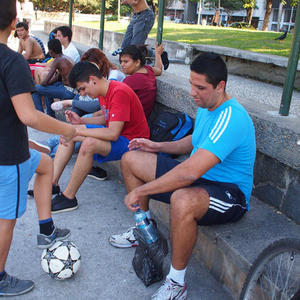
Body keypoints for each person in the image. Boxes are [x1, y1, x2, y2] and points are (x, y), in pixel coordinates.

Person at [109, 52, 256, 299]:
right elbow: (193, 142)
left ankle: (176, 283)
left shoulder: (232, 117)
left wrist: (141, 190)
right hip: (201, 178)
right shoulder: (209, 106)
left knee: (182, 199)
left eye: (200, 87)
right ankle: (145, 233)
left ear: (220, 86)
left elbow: (189, 171)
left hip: (229, 194)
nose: (192, 92)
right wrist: (156, 146)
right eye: (191, 84)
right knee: (131, 158)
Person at [0, 1, 76, 296]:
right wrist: (69, 129)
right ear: (14, 22)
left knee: (44, 164)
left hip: (15, 147)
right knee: (7, 219)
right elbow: (28, 115)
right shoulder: (11, 61)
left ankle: (47, 230)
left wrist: (28, 141)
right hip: (7, 157)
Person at [50, 61, 150, 213]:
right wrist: (81, 121)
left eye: (82, 88)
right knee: (69, 133)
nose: (82, 94)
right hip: (121, 136)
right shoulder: (103, 90)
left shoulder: (119, 91)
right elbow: (106, 118)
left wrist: (77, 130)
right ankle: (52, 184)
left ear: (93, 79)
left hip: (134, 142)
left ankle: (69, 198)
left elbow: (112, 133)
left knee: (87, 142)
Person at [51, 48, 126, 116]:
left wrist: (70, 103)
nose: (87, 70)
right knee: (78, 102)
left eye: (91, 66)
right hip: (104, 109)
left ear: (100, 63)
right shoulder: (98, 79)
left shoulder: (113, 77)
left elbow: (98, 106)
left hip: (105, 110)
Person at [112, 0, 169, 70]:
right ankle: (155, 54)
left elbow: (134, 2)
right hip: (135, 16)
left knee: (134, 49)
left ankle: (158, 54)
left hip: (145, 16)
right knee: (125, 49)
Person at [32, 39, 75, 117]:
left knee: (34, 89)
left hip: (68, 91)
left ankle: (40, 117)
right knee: (48, 89)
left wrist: (41, 84)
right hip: (70, 89)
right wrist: (46, 85)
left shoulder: (57, 60)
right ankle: (50, 115)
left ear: (51, 51)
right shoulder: (65, 58)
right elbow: (57, 77)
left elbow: (45, 82)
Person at [120, 43, 163, 119]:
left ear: (137, 62)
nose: (122, 65)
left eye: (126, 62)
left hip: (130, 123)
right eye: (121, 61)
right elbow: (159, 70)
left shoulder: (130, 81)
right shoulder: (148, 70)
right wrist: (158, 54)